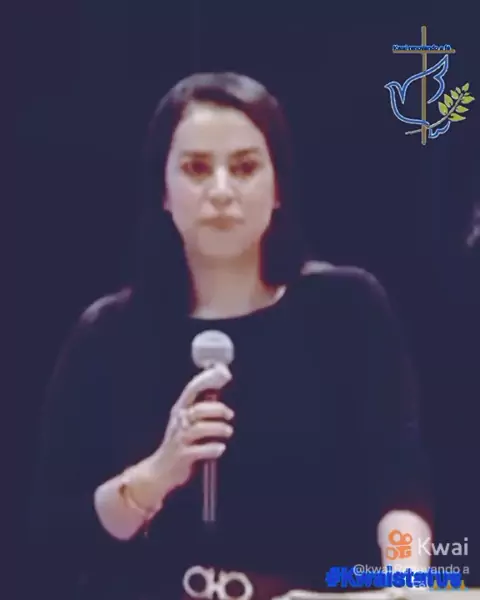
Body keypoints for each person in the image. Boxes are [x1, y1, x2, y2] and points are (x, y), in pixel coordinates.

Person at [29, 72, 433, 600]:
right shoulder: (106, 337)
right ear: (163, 191)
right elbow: (58, 534)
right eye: (196, 169)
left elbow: (399, 484)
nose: (221, 192)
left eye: (244, 168)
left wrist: (405, 583)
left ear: (278, 186)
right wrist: (155, 475)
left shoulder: (346, 310)